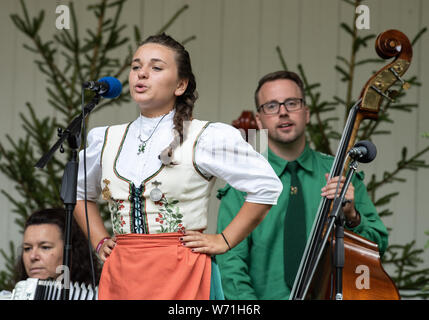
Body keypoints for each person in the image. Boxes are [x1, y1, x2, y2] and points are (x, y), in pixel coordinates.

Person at [73, 33, 282, 300]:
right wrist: (100, 240)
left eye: (156, 67)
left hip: (181, 272)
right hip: (122, 273)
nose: (142, 73)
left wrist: (225, 239)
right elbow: (78, 192)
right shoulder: (105, 139)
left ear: (180, 85)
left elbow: (266, 186)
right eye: (136, 66)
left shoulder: (204, 136)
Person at [216, 70, 389, 300]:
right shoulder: (242, 183)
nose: (283, 112)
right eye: (271, 106)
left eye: (291, 103)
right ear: (259, 120)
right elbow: (231, 266)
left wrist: (352, 216)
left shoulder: (342, 175)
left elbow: (377, 246)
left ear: (306, 113)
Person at [15, 208, 101, 287]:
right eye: (27, 248)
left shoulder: (100, 295)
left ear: (72, 251)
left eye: (45, 247)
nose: (33, 257)